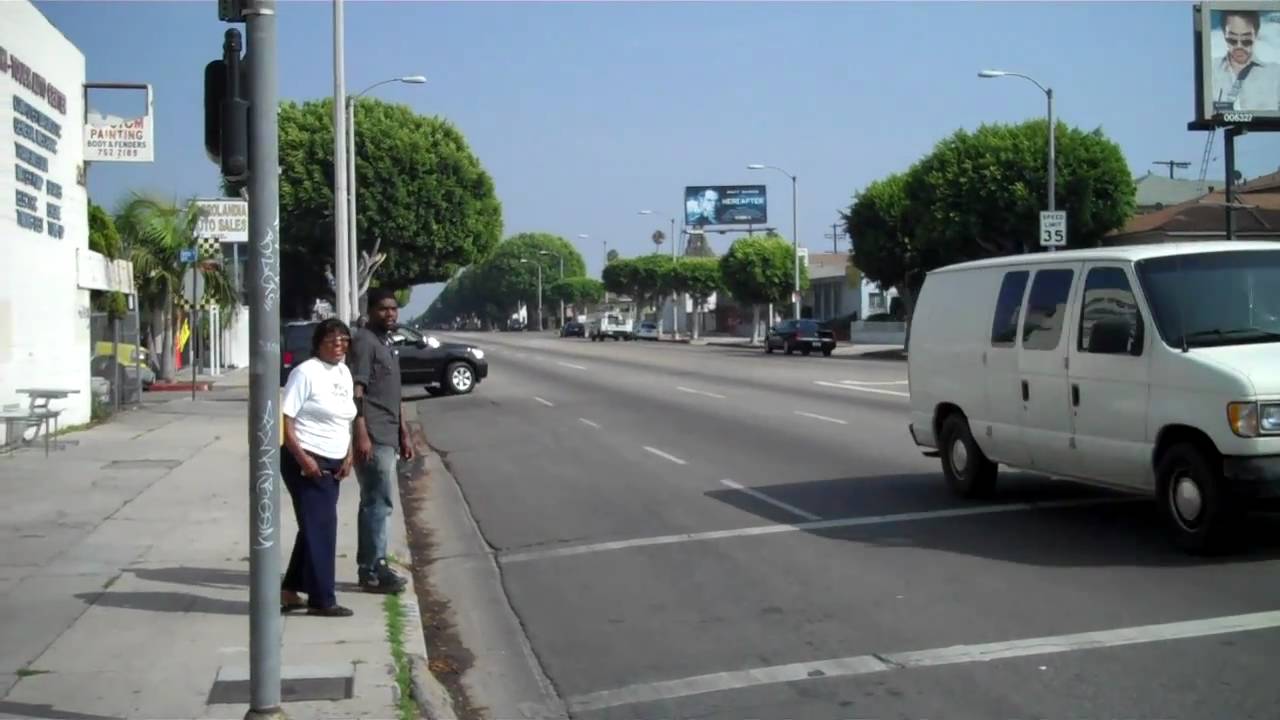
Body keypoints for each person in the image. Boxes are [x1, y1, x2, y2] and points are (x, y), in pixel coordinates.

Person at [280, 318, 357, 617]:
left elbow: (344, 416)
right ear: (318, 344)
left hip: (334, 460)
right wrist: (305, 460)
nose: (338, 346)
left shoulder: (344, 372)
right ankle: (322, 599)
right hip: (308, 461)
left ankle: (290, 589)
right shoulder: (305, 373)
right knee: (323, 528)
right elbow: (287, 422)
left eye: (343, 341)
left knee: (314, 527)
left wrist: (348, 452)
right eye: (332, 341)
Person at [349, 288, 414, 594]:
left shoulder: (386, 342)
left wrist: (404, 431)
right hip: (373, 435)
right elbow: (357, 390)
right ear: (371, 310)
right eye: (383, 309)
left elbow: (394, 393)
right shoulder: (364, 341)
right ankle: (373, 569)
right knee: (377, 502)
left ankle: (375, 564)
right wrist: (361, 431)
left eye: (393, 309)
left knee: (380, 502)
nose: (390, 314)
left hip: (389, 433)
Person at [1211, 9, 1280, 113]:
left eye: (1246, 41)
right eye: (1232, 40)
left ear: (1256, 35)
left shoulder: (1275, 74)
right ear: (1224, 34)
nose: (1239, 46)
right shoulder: (1211, 70)